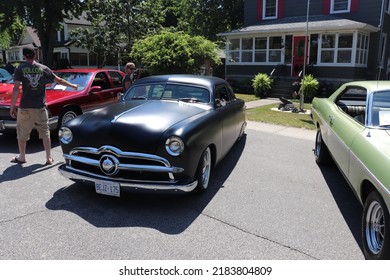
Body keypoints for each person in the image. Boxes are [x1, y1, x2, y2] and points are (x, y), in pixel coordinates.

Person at [10, 46, 78, 165]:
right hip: (40, 107)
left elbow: (16, 89)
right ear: (35, 55)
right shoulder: (43, 68)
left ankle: (22, 157)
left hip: (25, 107)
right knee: (45, 133)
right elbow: (59, 80)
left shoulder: (20, 68)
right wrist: (73, 85)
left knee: (22, 132)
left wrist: (12, 107)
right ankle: (48, 158)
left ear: (24, 56)